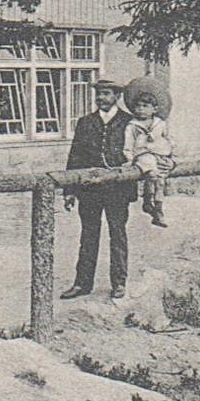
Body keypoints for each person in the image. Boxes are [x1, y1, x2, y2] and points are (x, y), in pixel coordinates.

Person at [62, 78, 136, 300]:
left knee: (118, 234)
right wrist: (70, 190)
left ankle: (119, 283)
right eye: (99, 94)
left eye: (106, 93)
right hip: (90, 189)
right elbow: (75, 156)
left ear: (117, 97)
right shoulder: (85, 122)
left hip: (117, 189)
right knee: (88, 235)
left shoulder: (129, 123)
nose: (101, 98)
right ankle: (82, 284)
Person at [125, 91, 174, 228]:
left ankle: (157, 209)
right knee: (152, 173)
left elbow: (168, 137)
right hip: (143, 154)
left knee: (160, 180)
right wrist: (130, 159)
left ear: (154, 109)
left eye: (145, 106)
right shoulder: (133, 126)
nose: (141, 109)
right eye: (138, 106)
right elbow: (128, 144)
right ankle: (147, 199)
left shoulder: (160, 123)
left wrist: (170, 151)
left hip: (159, 152)